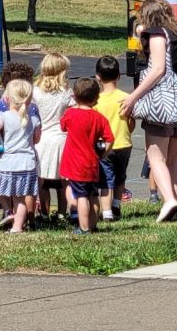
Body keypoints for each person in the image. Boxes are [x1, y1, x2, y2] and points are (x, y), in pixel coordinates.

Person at [120, 0, 177, 223]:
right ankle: (173, 204)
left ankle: (169, 200)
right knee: (173, 158)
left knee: (154, 155)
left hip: (163, 101)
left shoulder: (158, 34)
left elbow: (158, 69)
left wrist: (133, 97)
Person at [0, 80, 42, 234]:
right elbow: (37, 138)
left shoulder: (3, 116)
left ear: (8, 98)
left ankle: (8, 212)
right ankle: (17, 226)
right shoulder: (34, 118)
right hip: (27, 163)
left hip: (8, 161)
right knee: (21, 198)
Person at [59, 78, 114, 234]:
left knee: (81, 196)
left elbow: (62, 125)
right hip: (92, 163)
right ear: (96, 98)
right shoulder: (99, 118)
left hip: (75, 163)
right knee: (93, 195)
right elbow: (110, 138)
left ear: (75, 96)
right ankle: (93, 224)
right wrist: (103, 154)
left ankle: (83, 227)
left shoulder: (71, 114)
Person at [33, 53, 75, 220]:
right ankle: (62, 212)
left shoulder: (35, 91)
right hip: (61, 138)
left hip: (41, 138)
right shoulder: (66, 92)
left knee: (41, 179)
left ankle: (44, 212)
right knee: (63, 180)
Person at [94, 56, 135, 221]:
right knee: (120, 177)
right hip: (124, 142)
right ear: (119, 76)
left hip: (105, 145)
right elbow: (131, 124)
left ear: (97, 77)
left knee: (105, 179)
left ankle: (106, 212)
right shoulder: (126, 97)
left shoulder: (96, 100)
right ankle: (116, 205)